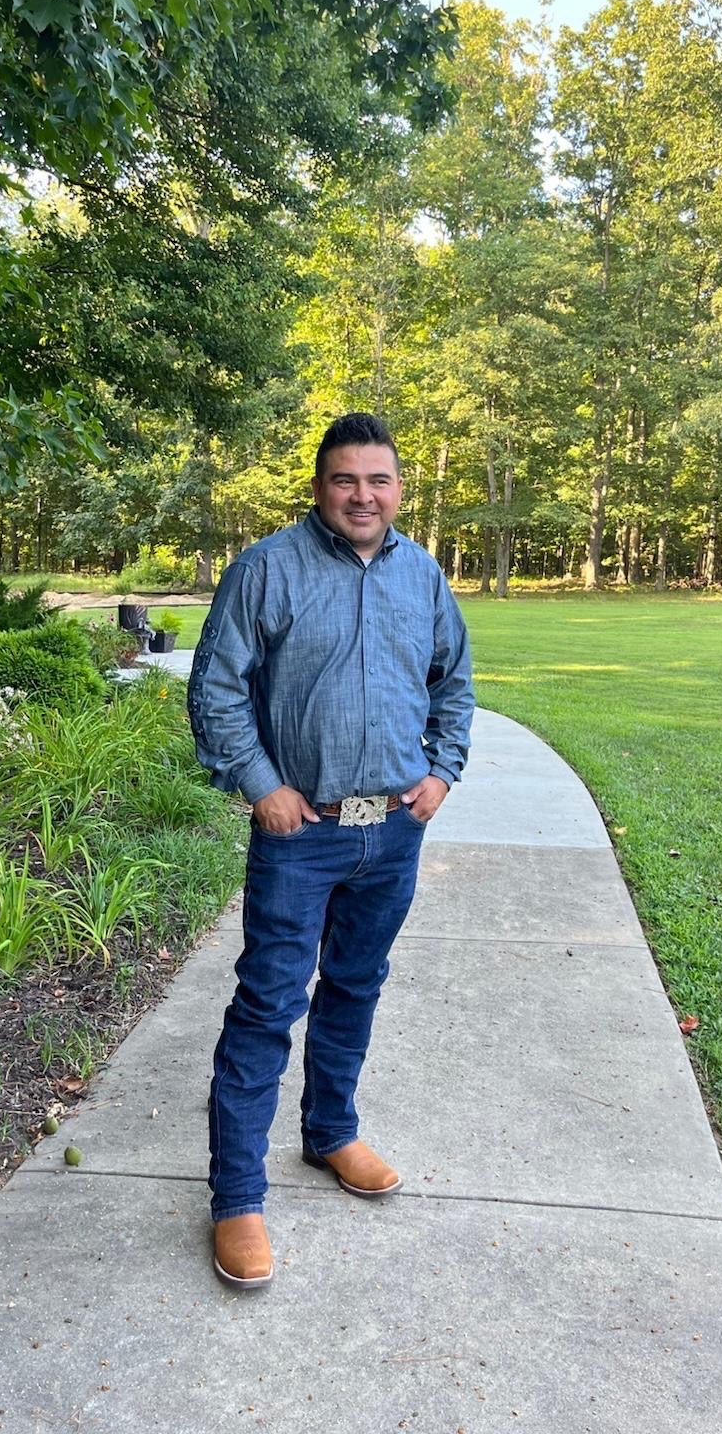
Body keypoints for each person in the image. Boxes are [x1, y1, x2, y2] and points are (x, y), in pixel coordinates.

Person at [186, 411, 475, 1290]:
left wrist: (442, 772)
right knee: (269, 1003)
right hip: (300, 835)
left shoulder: (421, 574)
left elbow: (454, 681)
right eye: (346, 479)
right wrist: (259, 784)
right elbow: (215, 687)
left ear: (399, 488)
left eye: (378, 480)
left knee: (355, 984)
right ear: (319, 487)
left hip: (393, 831)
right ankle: (238, 1198)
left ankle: (331, 1133)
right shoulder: (267, 569)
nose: (363, 495)